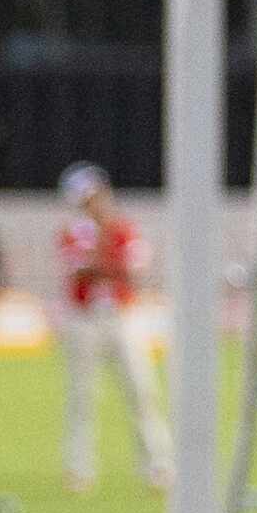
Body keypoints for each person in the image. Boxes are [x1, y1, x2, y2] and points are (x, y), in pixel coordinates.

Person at [54, 164, 171, 494]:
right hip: (85, 318)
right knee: (82, 396)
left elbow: (131, 270)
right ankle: (80, 468)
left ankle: (157, 462)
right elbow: (81, 273)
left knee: (142, 390)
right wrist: (106, 261)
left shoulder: (123, 229)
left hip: (122, 315)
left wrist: (102, 262)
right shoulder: (73, 232)